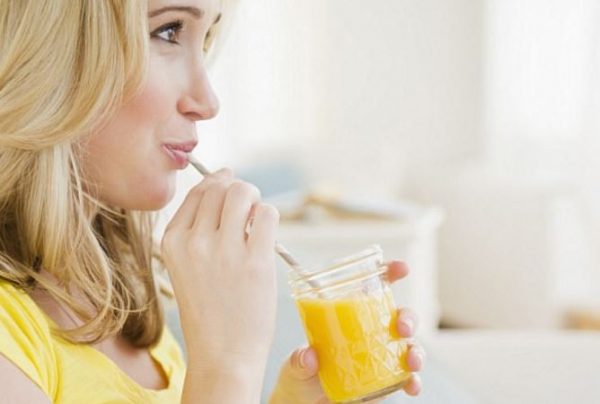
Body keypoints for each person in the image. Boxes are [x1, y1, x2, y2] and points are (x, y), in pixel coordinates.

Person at [0, 0, 424, 402]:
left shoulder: (124, 302)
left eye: (204, 40)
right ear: (51, 50)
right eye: (168, 31)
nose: (207, 102)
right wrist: (228, 366)